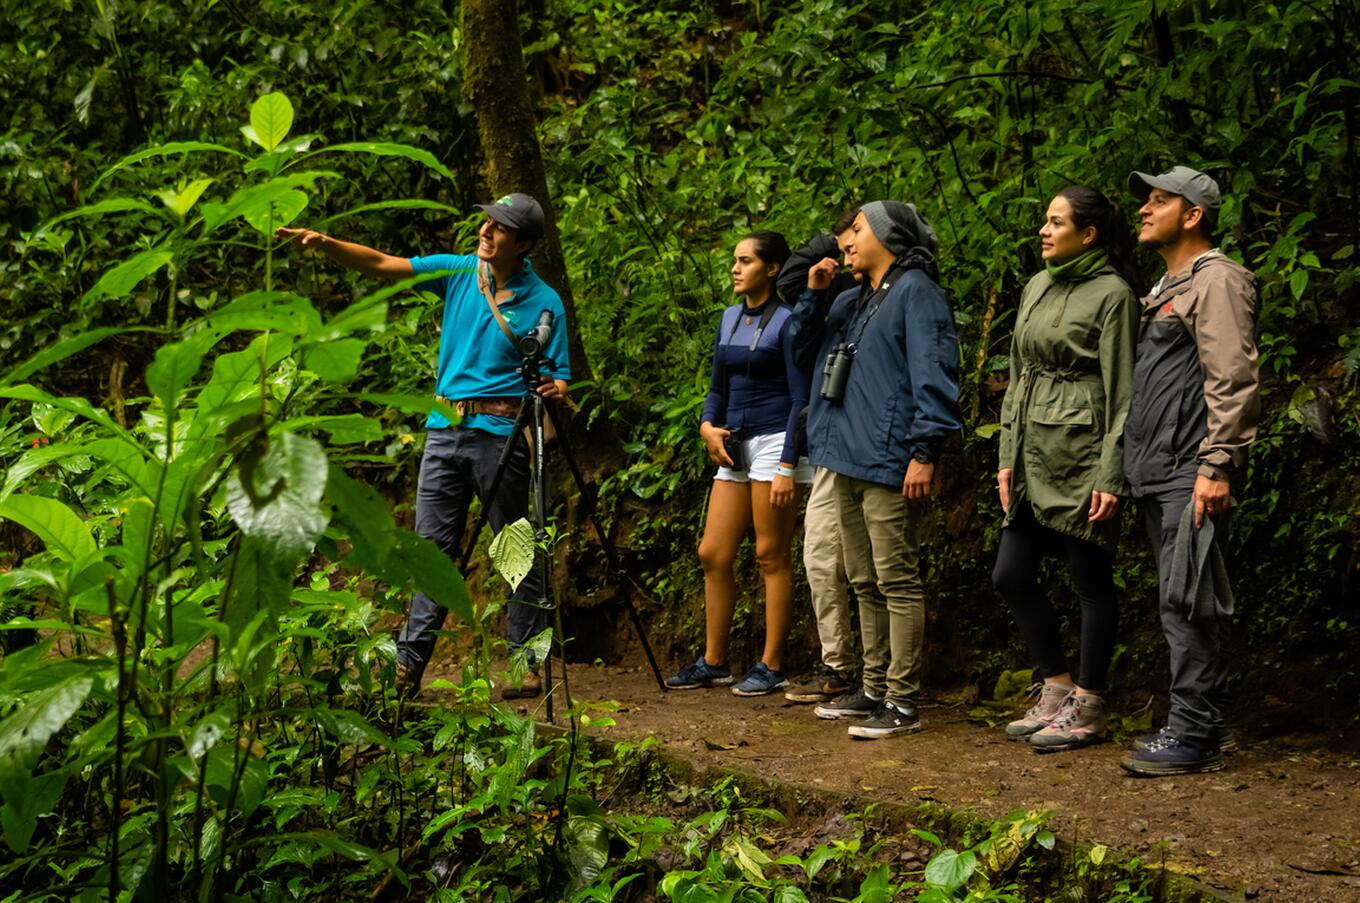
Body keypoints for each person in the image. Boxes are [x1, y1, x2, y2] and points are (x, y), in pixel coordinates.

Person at [277, 193, 572, 699]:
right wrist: (326, 244)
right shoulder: (459, 272)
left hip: (501, 435)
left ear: (522, 244)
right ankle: (408, 667)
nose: (487, 231)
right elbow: (385, 265)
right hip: (443, 428)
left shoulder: (544, 301)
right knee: (431, 551)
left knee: (514, 549)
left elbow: (558, 378)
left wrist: (557, 389)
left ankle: (526, 662)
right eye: (487, 222)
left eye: (500, 228)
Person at [792, 201, 963, 739]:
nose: (846, 239)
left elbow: (933, 373)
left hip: (888, 457)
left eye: (858, 230)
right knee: (862, 579)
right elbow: (800, 352)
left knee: (896, 579)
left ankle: (904, 702)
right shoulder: (850, 300)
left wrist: (924, 450)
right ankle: (872, 688)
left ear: (888, 235)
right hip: (840, 453)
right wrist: (815, 296)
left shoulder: (918, 293)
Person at [1117, 166, 1260, 776]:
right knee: (1178, 594)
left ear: (1192, 214)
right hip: (1158, 467)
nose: (1145, 211)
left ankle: (1194, 732)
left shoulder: (1218, 281)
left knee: (1187, 598)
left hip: (1191, 466)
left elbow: (1232, 378)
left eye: (1159, 202)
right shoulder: (1168, 285)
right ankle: (1199, 721)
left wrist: (1218, 463)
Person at [992, 186, 1140, 752]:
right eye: (1045, 222)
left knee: (1090, 578)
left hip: (1082, 452)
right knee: (1010, 574)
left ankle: (1090, 703)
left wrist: (1111, 472)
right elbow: (1017, 375)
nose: (1044, 231)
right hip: (1031, 451)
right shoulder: (1036, 284)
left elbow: (1124, 390)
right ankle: (1056, 686)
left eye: (1056, 223)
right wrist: (1006, 457)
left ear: (1089, 234)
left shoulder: (1114, 296)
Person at [666, 231, 814, 696]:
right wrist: (708, 426)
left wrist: (789, 462)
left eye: (745, 261)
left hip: (774, 441)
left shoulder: (788, 321)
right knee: (713, 552)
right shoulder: (729, 318)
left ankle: (772, 664)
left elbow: (799, 398)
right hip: (732, 442)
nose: (735, 268)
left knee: (770, 554)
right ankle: (714, 660)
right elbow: (717, 386)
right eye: (734, 260)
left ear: (771, 269)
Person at [776, 208, 864, 704]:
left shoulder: (900, 292)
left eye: (858, 238)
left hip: (867, 441)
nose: (849, 249)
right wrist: (828, 255)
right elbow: (793, 291)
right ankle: (839, 666)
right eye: (845, 239)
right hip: (831, 438)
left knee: (867, 567)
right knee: (819, 557)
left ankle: (878, 679)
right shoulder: (838, 294)